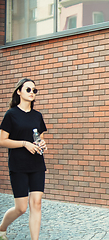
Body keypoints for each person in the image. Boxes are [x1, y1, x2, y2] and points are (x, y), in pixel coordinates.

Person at [0, 78, 47, 240]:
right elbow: (2, 140)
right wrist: (24, 144)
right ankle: (2, 228)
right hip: (18, 165)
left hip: (37, 164)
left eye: (34, 90)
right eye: (28, 89)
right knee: (21, 208)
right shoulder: (11, 115)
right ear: (19, 91)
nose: (32, 93)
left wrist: (42, 144)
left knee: (36, 203)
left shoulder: (37, 116)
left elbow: (39, 138)